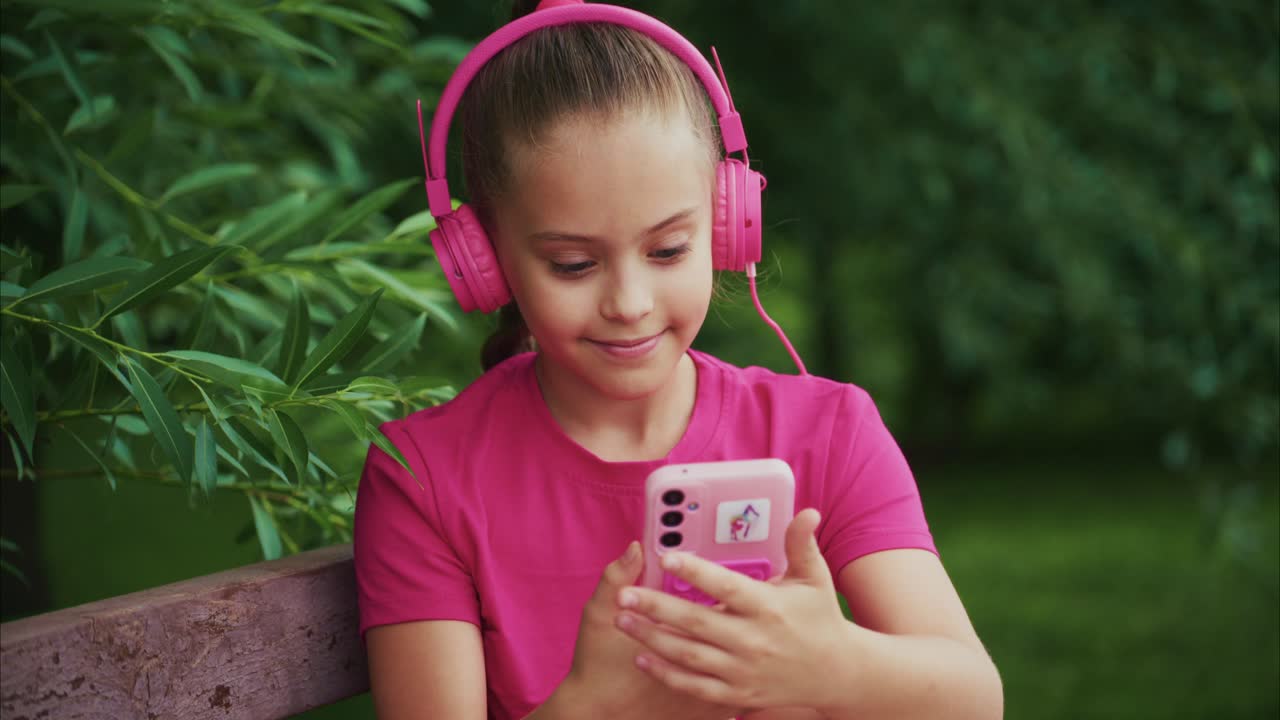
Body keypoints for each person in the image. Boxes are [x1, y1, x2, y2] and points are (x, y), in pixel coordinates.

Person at [353, 1, 1003, 718]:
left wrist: (834, 667)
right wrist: (593, 707)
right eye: (572, 264)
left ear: (728, 224)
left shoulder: (829, 430)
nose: (629, 302)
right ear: (485, 259)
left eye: (668, 250)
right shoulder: (424, 478)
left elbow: (974, 699)